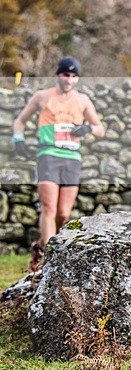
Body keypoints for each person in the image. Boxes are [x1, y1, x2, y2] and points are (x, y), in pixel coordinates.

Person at [12, 56, 105, 271]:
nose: (69, 80)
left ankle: (43, 246)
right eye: (66, 75)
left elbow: (100, 128)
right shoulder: (42, 97)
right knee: (49, 208)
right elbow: (20, 120)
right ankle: (47, 259)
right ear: (58, 75)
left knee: (63, 213)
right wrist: (19, 141)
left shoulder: (82, 100)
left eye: (74, 76)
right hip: (48, 156)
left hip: (72, 159)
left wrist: (87, 129)